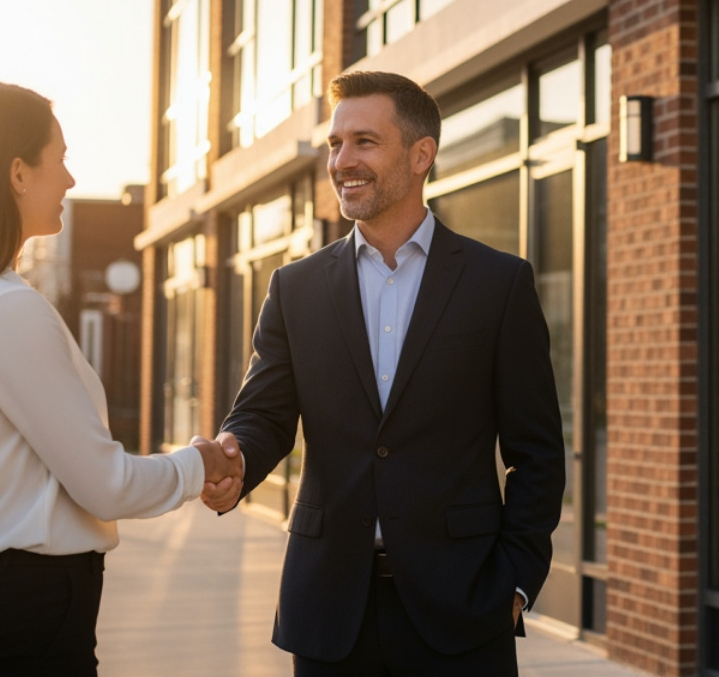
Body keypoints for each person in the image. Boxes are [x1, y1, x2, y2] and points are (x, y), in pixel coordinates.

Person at [0, 81, 242, 677]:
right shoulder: (5, 309)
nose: (69, 179)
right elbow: (105, 485)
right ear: (18, 173)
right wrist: (199, 463)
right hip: (23, 630)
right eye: (60, 159)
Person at [201, 70, 565, 676]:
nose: (343, 160)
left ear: (421, 155)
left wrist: (517, 582)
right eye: (335, 145)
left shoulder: (498, 284)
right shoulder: (296, 288)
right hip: (329, 610)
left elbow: (538, 452)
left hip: (465, 609)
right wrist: (234, 463)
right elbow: (262, 414)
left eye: (364, 142)